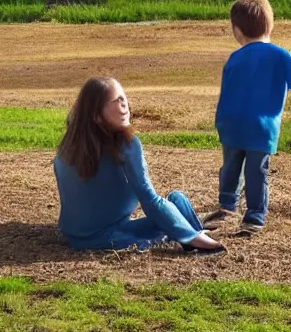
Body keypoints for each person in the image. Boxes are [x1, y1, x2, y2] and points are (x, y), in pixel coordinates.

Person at [53, 77, 226, 254]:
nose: (125, 104)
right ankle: (193, 237)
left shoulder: (67, 147)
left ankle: (192, 233)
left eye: (123, 98)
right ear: (97, 116)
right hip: (110, 236)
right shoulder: (125, 144)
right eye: (116, 101)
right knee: (175, 205)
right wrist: (191, 237)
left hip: (73, 235)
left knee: (177, 200)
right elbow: (149, 199)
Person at [204, 0, 291, 236]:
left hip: (231, 122)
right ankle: (254, 216)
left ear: (237, 30)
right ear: (270, 25)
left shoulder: (235, 57)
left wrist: (220, 120)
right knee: (256, 171)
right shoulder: (281, 55)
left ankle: (226, 206)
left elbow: (227, 89)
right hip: (261, 127)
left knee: (230, 166)